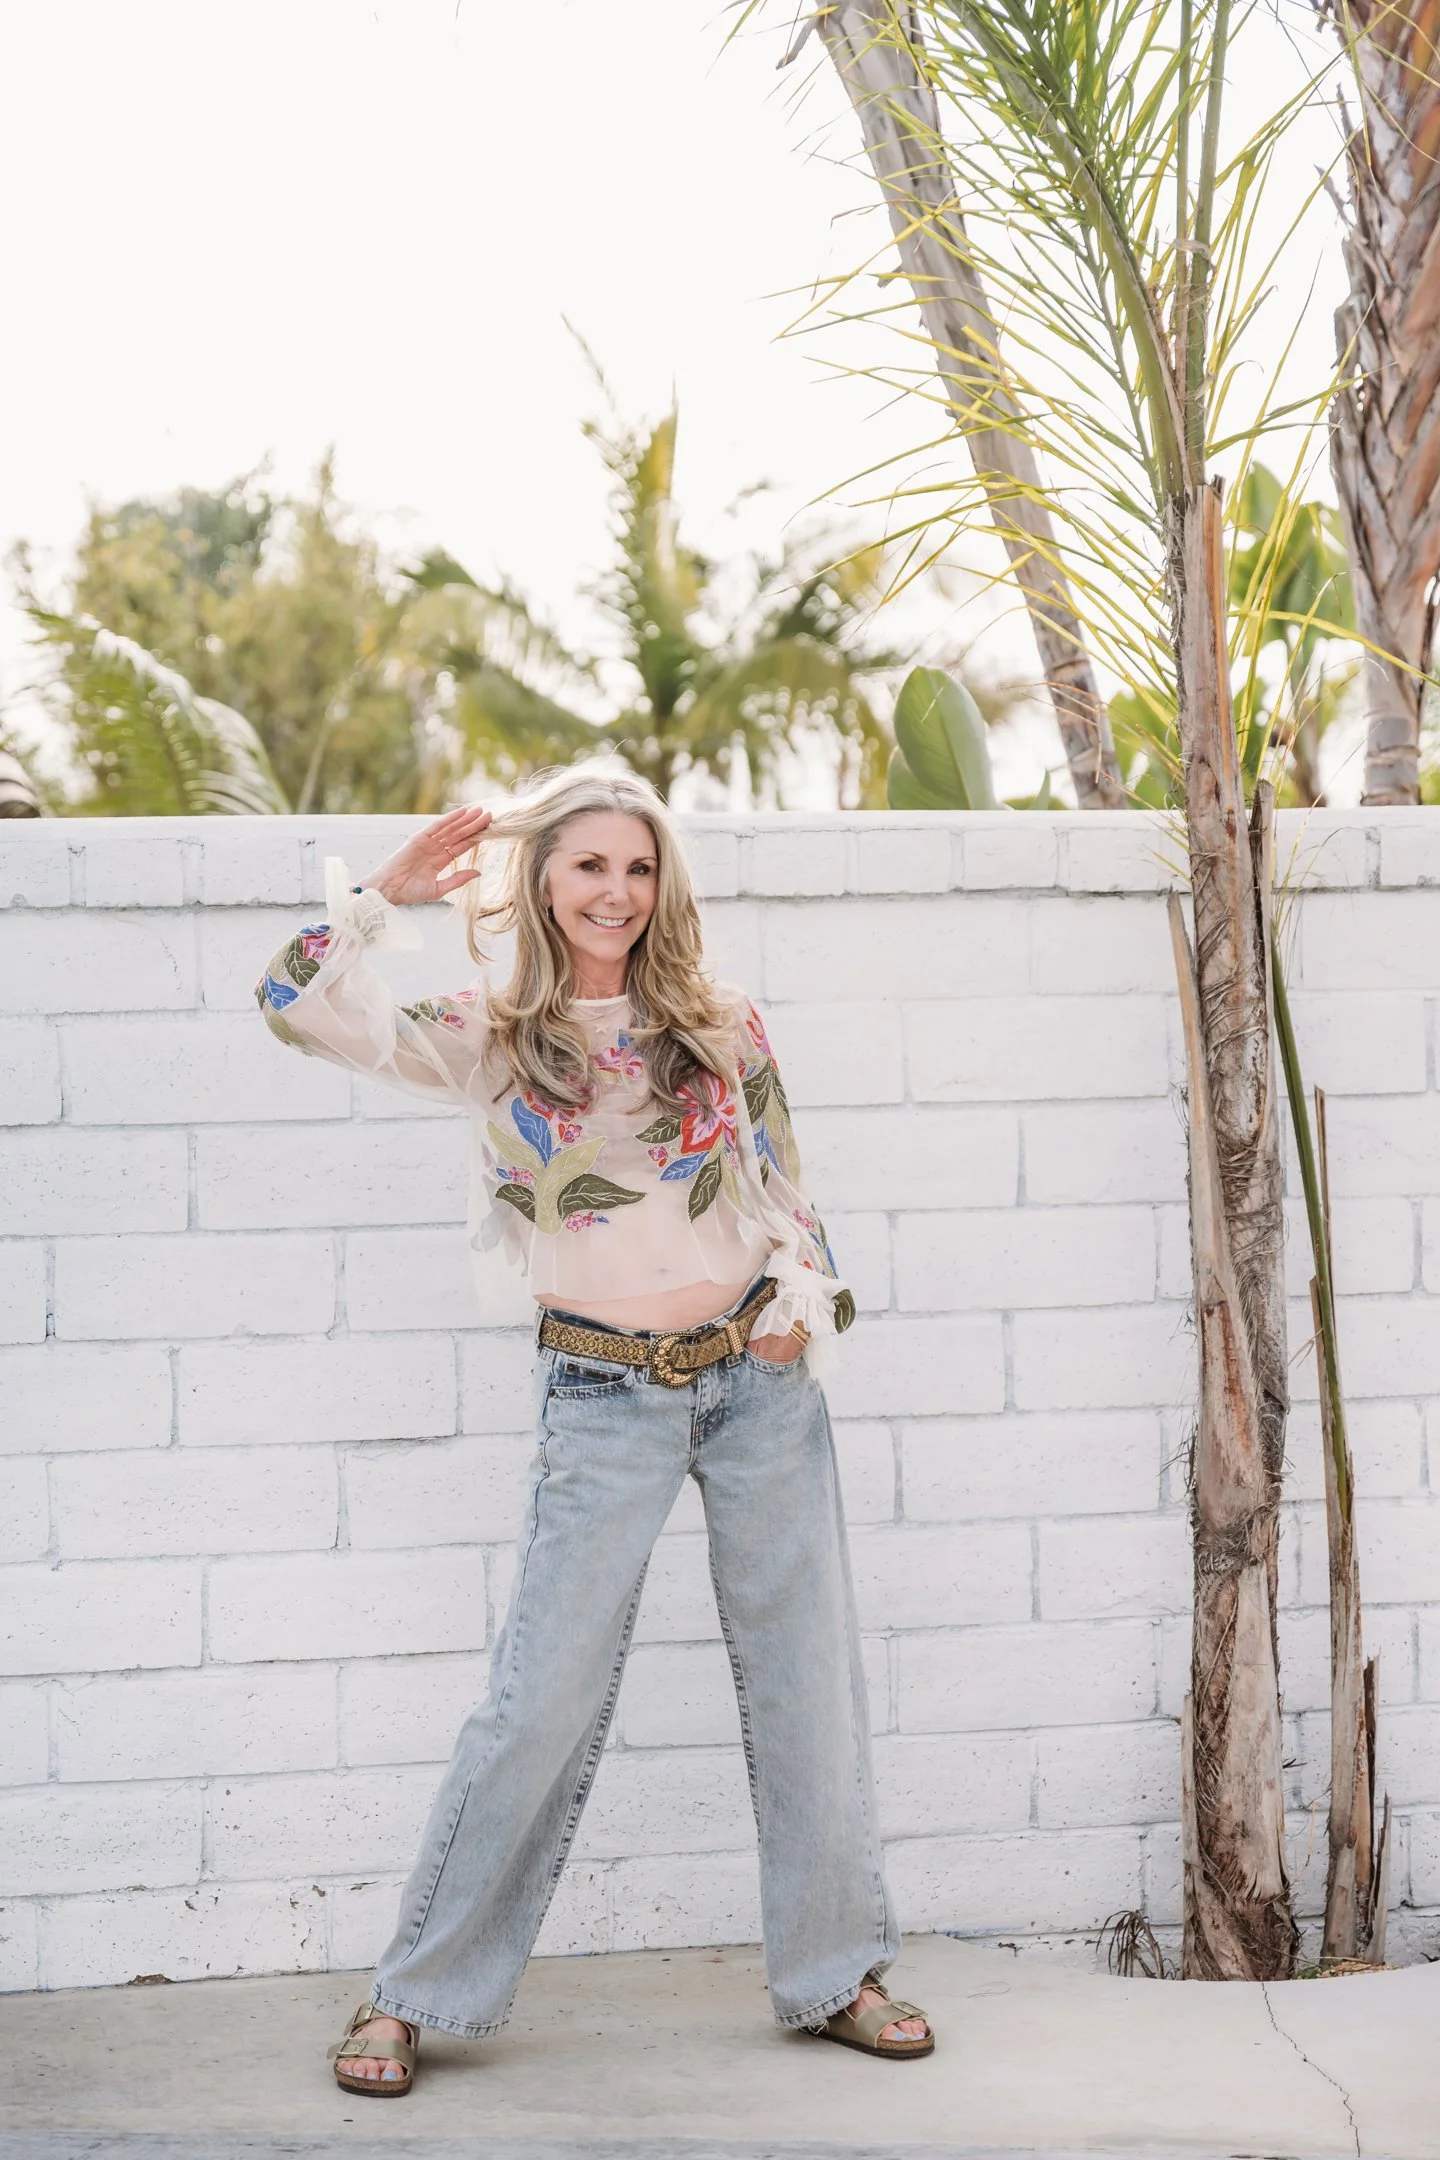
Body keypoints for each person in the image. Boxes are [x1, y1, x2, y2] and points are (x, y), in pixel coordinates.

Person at [255, 768, 934, 2095]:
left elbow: (785, 1183)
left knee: (808, 1684)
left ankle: (836, 1973)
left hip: (757, 1387)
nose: (616, 893)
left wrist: (802, 1304)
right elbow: (292, 1006)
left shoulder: (722, 1023)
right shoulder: (493, 1032)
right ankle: (410, 1994)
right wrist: (381, 897)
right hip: (602, 1396)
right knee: (536, 1703)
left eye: (638, 869)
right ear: (544, 883)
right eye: (590, 869)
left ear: (659, 886)